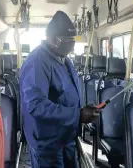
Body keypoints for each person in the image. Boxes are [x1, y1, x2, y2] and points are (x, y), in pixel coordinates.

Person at [19, 11, 99, 168]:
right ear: (54, 40)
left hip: (66, 136)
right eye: (67, 40)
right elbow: (35, 105)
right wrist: (77, 115)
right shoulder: (37, 62)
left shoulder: (63, 58)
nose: (71, 44)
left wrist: (82, 110)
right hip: (48, 142)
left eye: (73, 40)